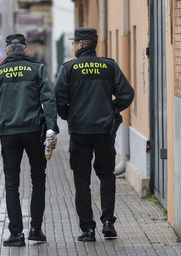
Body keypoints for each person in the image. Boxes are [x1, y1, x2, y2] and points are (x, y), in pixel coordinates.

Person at [53, 27, 134, 242]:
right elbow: (127, 94)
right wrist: (112, 109)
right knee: (107, 175)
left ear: (79, 45)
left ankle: (87, 229)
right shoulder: (109, 66)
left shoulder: (69, 68)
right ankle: (108, 223)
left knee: (81, 179)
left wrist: (69, 115)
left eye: (73, 43)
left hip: (80, 131)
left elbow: (58, 99)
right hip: (104, 131)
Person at [0, 34, 59, 247]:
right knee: (38, 179)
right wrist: (51, 128)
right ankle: (35, 229)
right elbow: (49, 99)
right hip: (34, 131)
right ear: (24, 50)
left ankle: (16, 234)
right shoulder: (37, 69)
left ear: (7, 51)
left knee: (11, 183)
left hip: (9, 134)